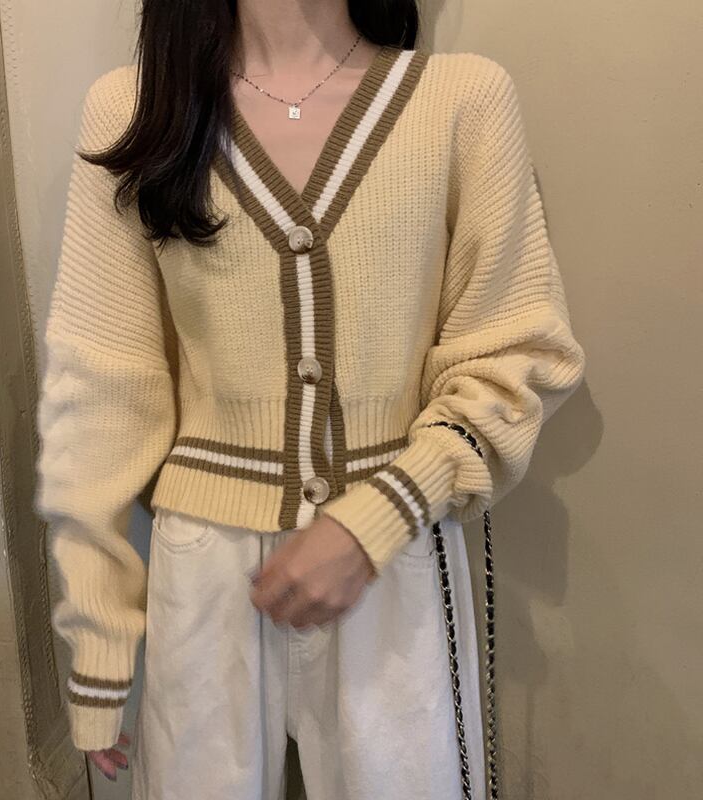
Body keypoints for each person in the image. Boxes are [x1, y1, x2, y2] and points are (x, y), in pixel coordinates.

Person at [34, 1, 586, 798]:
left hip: (396, 549)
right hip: (204, 573)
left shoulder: (460, 100)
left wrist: (380, 515)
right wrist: (100, 637)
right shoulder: (135, 109)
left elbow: (518, 353)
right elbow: (103, 388)